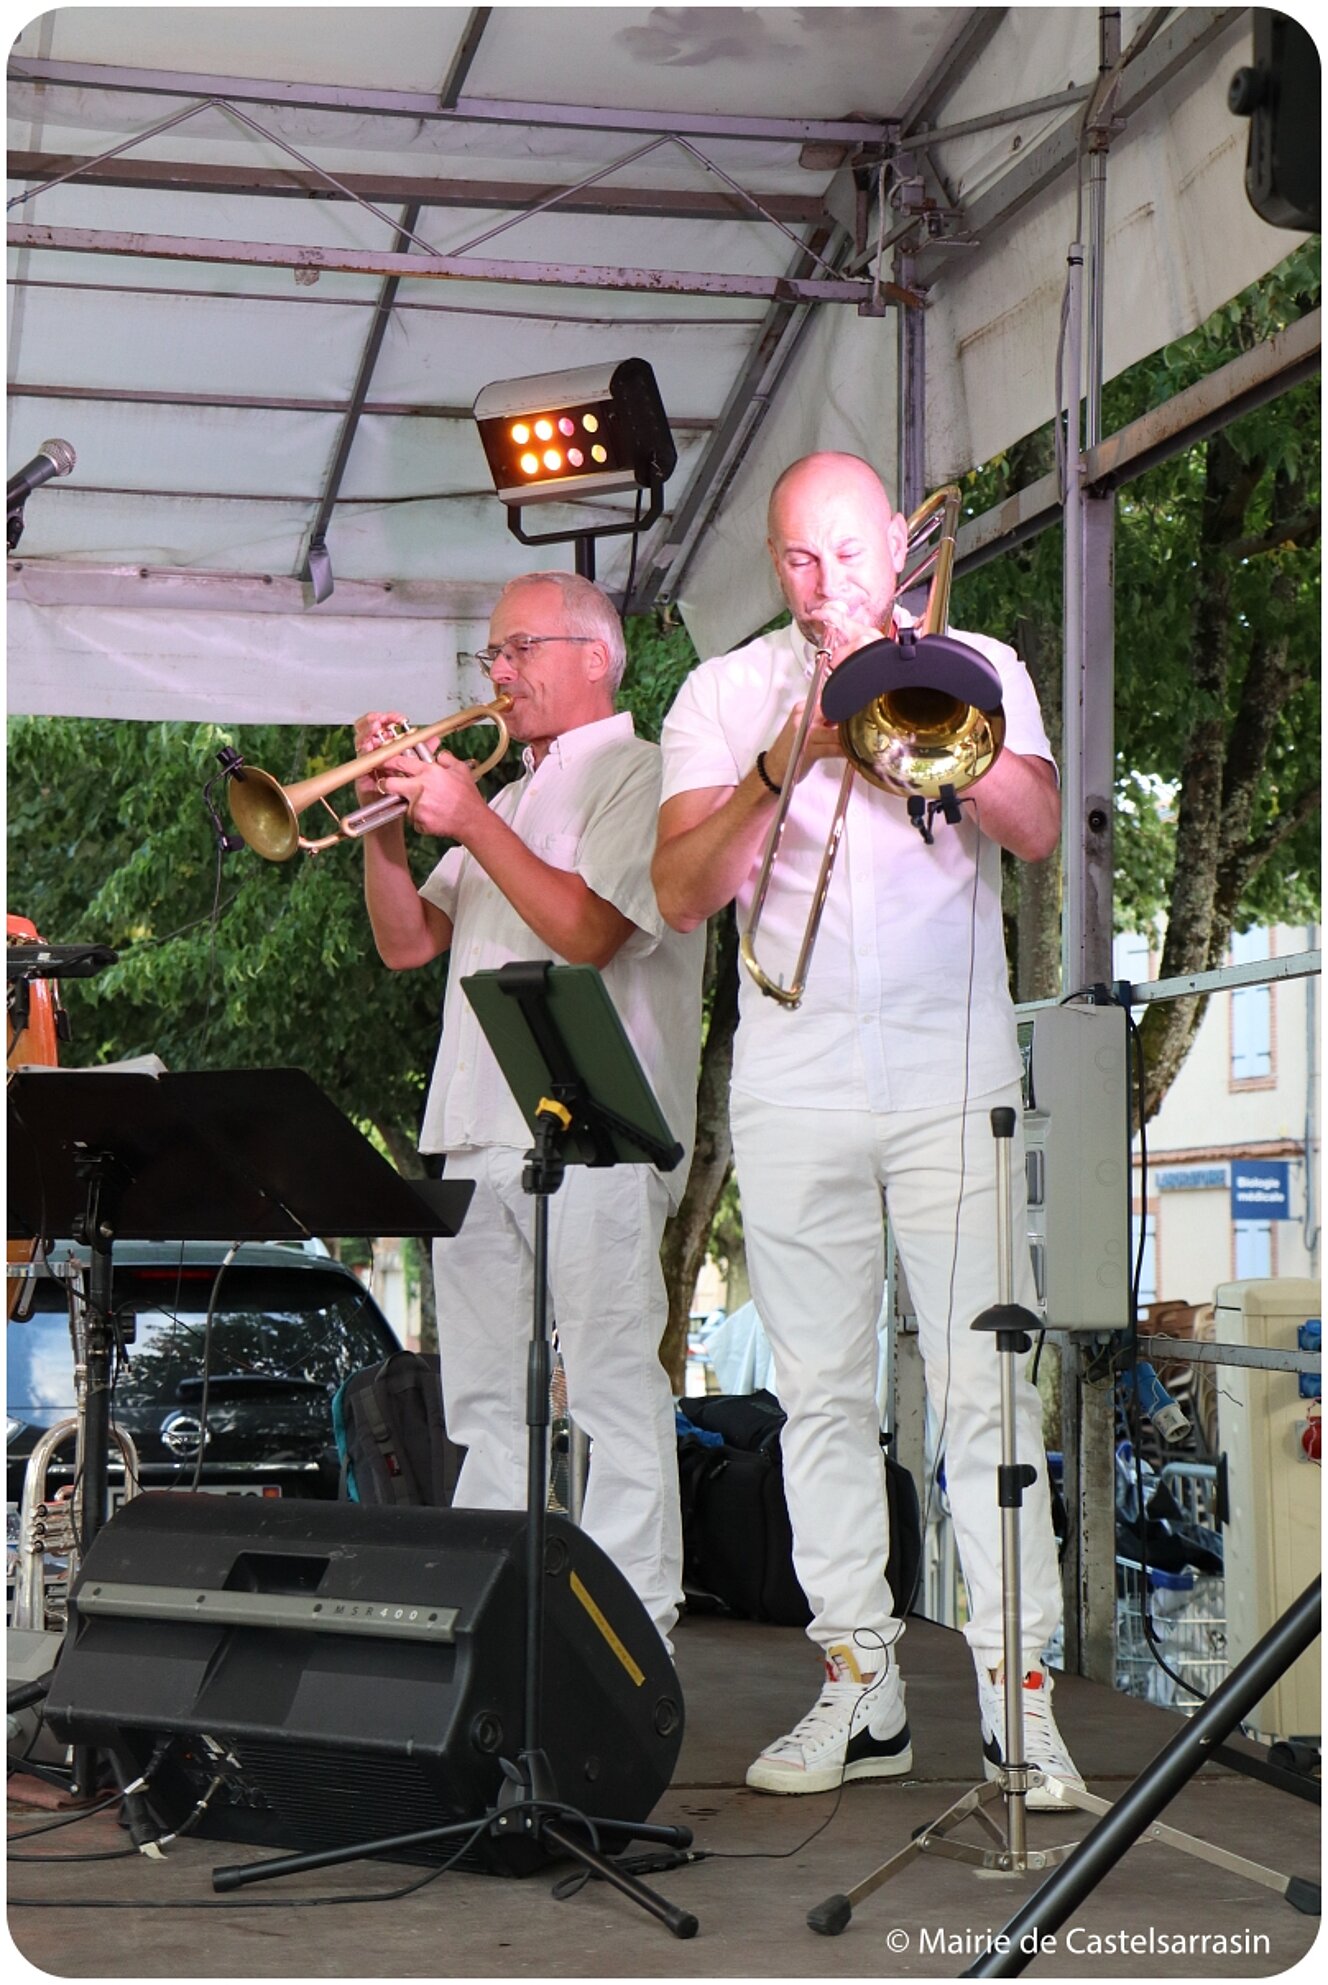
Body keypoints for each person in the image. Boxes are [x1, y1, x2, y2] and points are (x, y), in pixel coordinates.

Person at [652, 452, 1084, 1800]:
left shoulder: (978, 658)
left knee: (984, 1392)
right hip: (792, 1073)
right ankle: (862, 1686)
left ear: (899, 542)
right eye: (800, 561)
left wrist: (930, 692)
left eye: (850, 553)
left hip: (951, 1067)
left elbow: (1035, 825)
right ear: (776, 569)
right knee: (824, 1397)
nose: (829, 583)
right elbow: (675, 892)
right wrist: (785, 764)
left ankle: (1025, 1702)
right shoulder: (728, 692)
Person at [358, 570, 705, 1651]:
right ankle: (503, 1618)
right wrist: (381, 823)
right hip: (474, 1127)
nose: (497, 674)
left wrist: (463, 813)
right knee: (482, 1403)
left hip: (594, 1132)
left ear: (594, 655)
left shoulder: (640, 774)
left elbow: (590, 931)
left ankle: (632, 1623)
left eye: (518, 651)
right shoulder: (510, 796)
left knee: (606, 1381)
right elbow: (408, 942)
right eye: (491, 657)